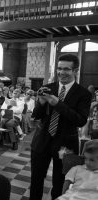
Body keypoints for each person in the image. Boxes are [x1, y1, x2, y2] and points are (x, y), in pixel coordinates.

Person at [30, 54, 92, 200]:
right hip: (42, 141)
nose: (61, 72)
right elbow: (36, 115)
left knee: (60, 183)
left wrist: (57, 103)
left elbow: (80, 120)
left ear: (75, 70)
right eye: (59, 68)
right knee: (36, 180)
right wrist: (42, 102)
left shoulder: (83, 93)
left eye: (66, 69)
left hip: (66, 145)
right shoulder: (47, 87)